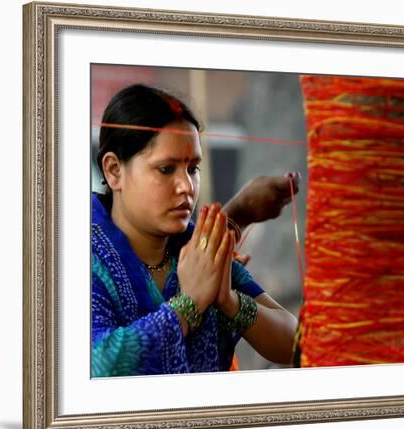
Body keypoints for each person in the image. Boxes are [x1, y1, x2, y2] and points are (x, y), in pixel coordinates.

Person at [92, 84, 300, 376]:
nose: (187, 187)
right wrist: (190, 304)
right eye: (166, 169)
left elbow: (293, 340)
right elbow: (96, 366)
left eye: (193, 168)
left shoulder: (199, 247)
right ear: (114, 170)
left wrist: (229, 301)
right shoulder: (81, 254)